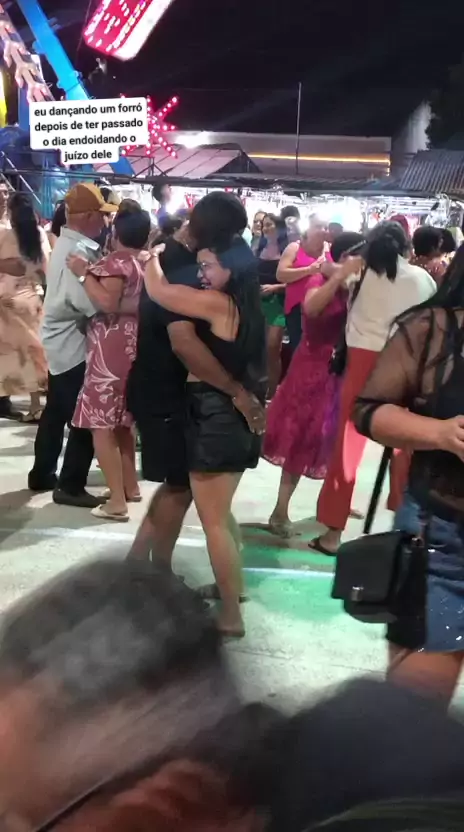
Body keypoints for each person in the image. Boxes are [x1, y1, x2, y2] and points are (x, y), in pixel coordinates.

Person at [127, 192, 265, 571]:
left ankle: (140, 568)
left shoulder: (185, 260)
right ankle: (152, 573)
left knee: (185, 489)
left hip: (174, 389)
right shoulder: (184, 265)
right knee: (180, 488)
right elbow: (185, 344)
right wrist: (237, 392)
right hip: (167, 390)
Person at [352, 243, 464, 705]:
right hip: (444, 540)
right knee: (413, 711)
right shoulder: (434, 328)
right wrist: (441, 433)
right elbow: (369, 411)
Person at [144, 234, 266, 638]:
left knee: (213, 521)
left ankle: (230, 616)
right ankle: (234, 590)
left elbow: (159, 291)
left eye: (208, 265)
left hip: (215, 414)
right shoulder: (249, 305)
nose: (201, 273)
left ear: (232, 268)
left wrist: (151, 257)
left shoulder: (218, 303)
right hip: (233, 414)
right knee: (222, 514)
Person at [311, 221, 437, 556]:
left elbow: (326, 271)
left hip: (362, 363)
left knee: (346, 447)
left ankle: (333, 532)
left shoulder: (360, 273)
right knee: (405, 445)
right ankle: (406, 527)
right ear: (406, 247)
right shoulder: (421, 278)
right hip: (404, 365)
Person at [263, 233, 364, 537]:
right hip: (311, 368)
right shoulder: (319, 280)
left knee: (336, 438)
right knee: (300, 437)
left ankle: (336, 500)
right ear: (343, 257)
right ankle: (280, 511)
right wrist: (338, 277)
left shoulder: (357, 286)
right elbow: (311, 309)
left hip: (341, 369)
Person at [28, 183, 119, 507]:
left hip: (64, 342)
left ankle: (42, 474)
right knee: (85, 418)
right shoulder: (76, 251)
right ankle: (70, 484)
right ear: (89, 216)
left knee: (57, 412)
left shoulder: (72, 244)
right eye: (102, 216)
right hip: (72, 346)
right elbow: (90, 304)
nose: (106, 222)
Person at [66, 207, 150, 522]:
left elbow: (107, 302)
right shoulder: (144, 264)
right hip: (131, 345)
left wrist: (82, 273)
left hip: (108, 350)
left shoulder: (115, 263)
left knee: (101, 424)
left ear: (115, 234)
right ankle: (129, 487)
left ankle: (116, 501)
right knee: (123, 421)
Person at [0, 191, 50, 423]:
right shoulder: (39, 234)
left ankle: (6, 397)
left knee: (9, 354)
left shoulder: (6, 236)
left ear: (11, 213)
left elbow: (11, 267)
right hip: (32, 298)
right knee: (33, 352)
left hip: (7, 299)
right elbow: (45, 269)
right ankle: (35, 406)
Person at [277, 214, 329, 352]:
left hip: (322, 308)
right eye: (318, 226)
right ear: (307, 228)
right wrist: (309, 270)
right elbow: (281, 274)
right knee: (299, 350)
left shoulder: (330, 249)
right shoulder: (295, 247)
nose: (323, 230)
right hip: (297, 309)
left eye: (325, 227)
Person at [256, 213, 288, 399]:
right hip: (258, 303)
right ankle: (261, 389)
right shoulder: (258, 247)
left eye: (269, 224)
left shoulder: (288, 249)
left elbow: (296, 282)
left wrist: (276, 288)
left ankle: (272, 392)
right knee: (259, 349)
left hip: (278, 304)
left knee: (273, 348)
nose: (266, 228)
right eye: (264, 225)